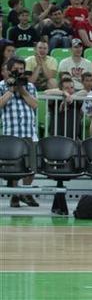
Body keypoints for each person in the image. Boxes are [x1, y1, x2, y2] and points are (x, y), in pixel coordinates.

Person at [0, 57, 39, 208]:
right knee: (14, 166)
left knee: (32, 166)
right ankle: (15, 195)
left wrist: (21, 90)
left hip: (29, 131)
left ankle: (26, 193)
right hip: (11, 132)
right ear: (9, 70)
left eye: (22, 69)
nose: (20, 72)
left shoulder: (29, 86)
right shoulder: (2, 85)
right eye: (16, 69)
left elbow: (35, 105)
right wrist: (11, 91)